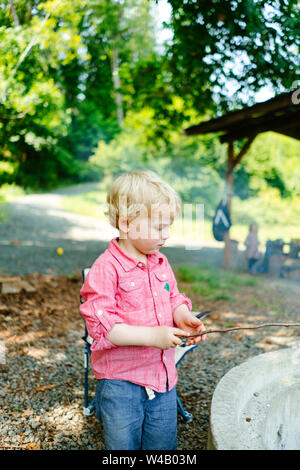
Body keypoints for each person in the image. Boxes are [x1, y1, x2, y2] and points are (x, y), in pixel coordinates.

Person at [79, 170, 206, 450]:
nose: (167, 235)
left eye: (168, 226)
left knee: (162, 445)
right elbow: (104, 329)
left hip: (163, 380)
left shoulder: (160, 262)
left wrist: (184, 315)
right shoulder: (106, 269)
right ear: (127, 224)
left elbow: (173, 297)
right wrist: (153, 336)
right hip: (121, 384)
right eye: (159, 227)